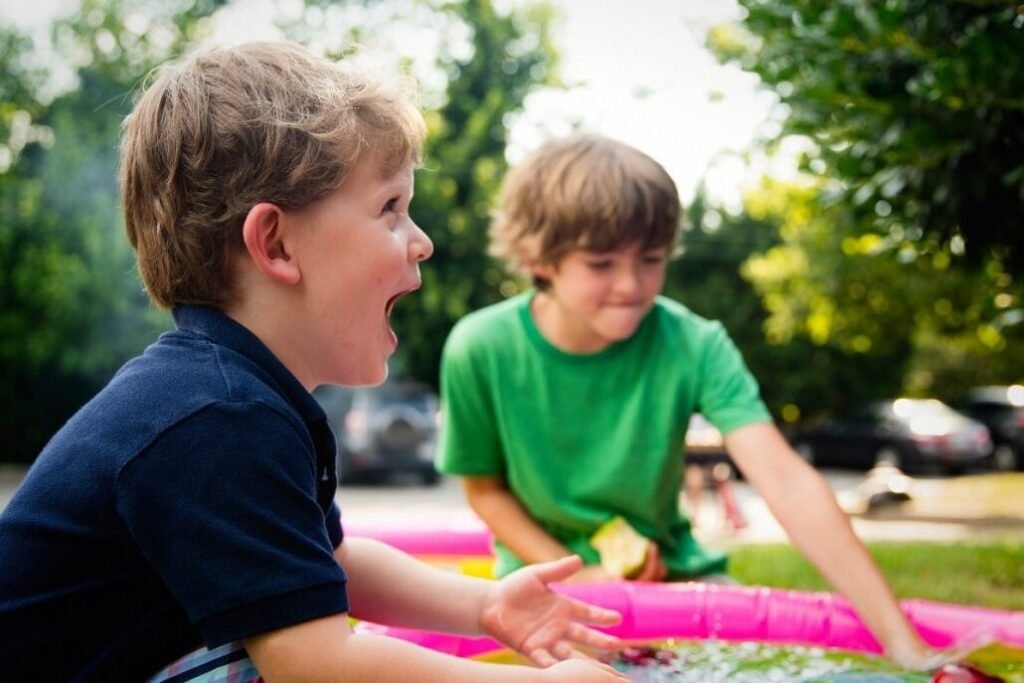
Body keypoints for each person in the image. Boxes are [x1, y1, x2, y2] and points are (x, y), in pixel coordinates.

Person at [0, 43, 630, 683]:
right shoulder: (215, 419)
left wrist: (486, 604)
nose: (422, 241)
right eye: (390, 208)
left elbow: (333, 562)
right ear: (275, 243)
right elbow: (317, 666)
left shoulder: (238, 397)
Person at [436, 134, 939, 667]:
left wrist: (902, 642)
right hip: (540, 586)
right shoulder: (480, 347)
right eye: (601, 263)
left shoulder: (695, 343)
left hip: (675, 578)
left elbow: (787, 483)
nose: (631, 284)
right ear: (538, 258)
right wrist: (578, 572)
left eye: (651, 259)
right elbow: (485, 489)